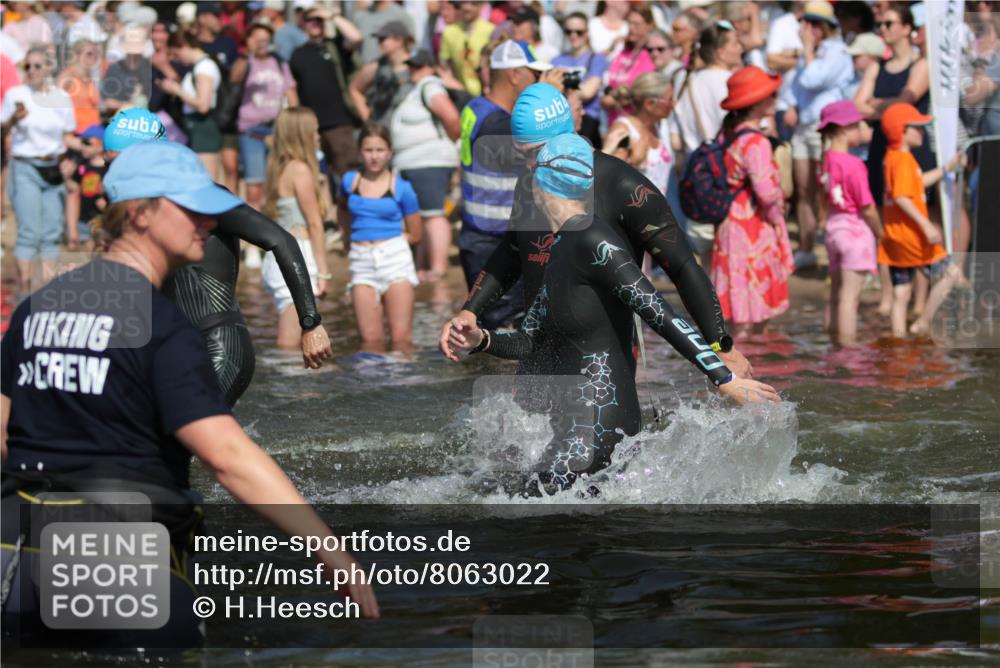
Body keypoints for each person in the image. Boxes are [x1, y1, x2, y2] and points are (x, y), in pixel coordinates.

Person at [0, 140, 378, 649]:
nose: (207, 221)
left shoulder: (36, 310)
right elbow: (227, 457)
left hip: (16, 563)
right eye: (191, 207)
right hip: (118, 569)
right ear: (138, 214)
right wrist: (331, 552)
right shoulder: (163, 328)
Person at [448, 134, 779, 497]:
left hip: (599, 423)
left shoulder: (595, 241)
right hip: (574, 422)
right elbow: (530, 339)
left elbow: (658, 312)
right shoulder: (558, 247)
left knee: (525, 513)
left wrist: (724, 378)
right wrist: (481, 340)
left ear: (542, 185)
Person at [441, 83, 754, 380]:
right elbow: (511, 253)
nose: (530, 165)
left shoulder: (624, 187)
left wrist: (720, 347)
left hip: (603, 356)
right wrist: (470, 311)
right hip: (536, 346)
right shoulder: (530, 185)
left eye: (535, 152)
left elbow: (683, 267)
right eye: (521, 154)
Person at [103, 107, 333, 406]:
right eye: (106, 163)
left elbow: (280, 239)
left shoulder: (204, 196)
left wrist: (310, 323)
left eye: (116, 163)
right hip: (173, 348)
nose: (110, 173)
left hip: (220, 347)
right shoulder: (137, 212)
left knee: (179, 437)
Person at [457, 40, 555, 330]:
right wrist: (548, 99)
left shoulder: (475, 107)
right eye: (535, 76)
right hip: (494, 244)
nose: (537, 82)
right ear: (515, 75)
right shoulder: (498, 125)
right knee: (506, 331)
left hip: (479, 238)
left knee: (491, 329)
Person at [854, 3, 933, 315]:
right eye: (881, 25)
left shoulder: (921, 63)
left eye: (889, 24)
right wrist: (884, 108)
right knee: (884, 223)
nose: (883, 29)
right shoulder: (877, 66)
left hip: (912, 150)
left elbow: (908, 99)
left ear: (905, 28)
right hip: (880, 149)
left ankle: (918, 300)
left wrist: (877, 106)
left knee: (914, 218)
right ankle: (890, 296)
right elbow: (857, 105)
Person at [712, 66, 795, 338]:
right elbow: (766, 192)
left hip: (729, 224)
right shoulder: (757, 141)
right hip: (752, 227)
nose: (775, 100)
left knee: (737, 308)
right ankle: (755, 372)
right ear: (756, 103)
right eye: (770, 96)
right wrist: (778, 212)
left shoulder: (727, 135)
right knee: (752, 316)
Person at [0, 44, 80, 295]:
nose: (32, 71)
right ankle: (25, 290)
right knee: (29, 232)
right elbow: (3, 128)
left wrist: (76, 156)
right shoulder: (16, 94)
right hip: (25, 165)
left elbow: (68, 136)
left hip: (53, 167)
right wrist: (15, 119)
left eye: (37, 66)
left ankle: (47, 289)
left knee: (52, 231)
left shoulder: (61, 97)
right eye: (28, 66)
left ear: (48, 68)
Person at [878, 103, 963, 338]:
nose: (922, 133)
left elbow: (915, 184)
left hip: (894, 237)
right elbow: (902, 196)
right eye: (918, 128)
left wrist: (945, 169)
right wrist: (926, 226)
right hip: (913, 236)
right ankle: (923, 322)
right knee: (951, 274)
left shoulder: (892, 157)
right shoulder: (904, 160)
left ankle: (897, 338)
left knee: (901, 292)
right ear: (902, 131)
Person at [782, 0, 853, 271]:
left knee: (827, 189)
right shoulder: (811, 52)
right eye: (804, 22)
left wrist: (808, 50)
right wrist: (790, 104)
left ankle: (832, 247)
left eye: (811, 23)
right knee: (802, 189)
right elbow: (797, 84)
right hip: (804, 125)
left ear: (824, 27)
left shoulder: (838, 51)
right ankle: (807, 247)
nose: (805, 28)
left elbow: (813, 79)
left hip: (827, 128)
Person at [339, 123, 422, 350]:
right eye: (368, 150)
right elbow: (343, 209)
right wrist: (346, 236)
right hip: (361, 259)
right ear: (359, 152)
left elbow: (416, 232)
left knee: (401, 340)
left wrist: (394, 243)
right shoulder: (349, 182)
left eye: (379, 150)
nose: (374, 157)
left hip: (394, 258)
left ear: (390, 152)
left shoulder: (402, 188)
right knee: (369, 341)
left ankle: (401, 383)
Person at [671, 21, 744, 257]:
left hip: (697, 172)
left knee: (704, 255)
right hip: (726, 174)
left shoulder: (685, 80)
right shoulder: (729, 81)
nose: (741, 48)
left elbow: (676, 138)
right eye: (735, 42)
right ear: (720, 51)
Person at [262, 108, 332, 351]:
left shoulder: (279, 166)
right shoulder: (300, 170)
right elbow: (314, 223)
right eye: (314, 131)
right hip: (298, 256)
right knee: (291, 345)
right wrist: (323, 272)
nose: (319, 136)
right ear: (302, 134)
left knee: (296, 341)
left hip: (278, 258)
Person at [390, 48, 461, 282]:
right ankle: (423, 266)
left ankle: (438, 268)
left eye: (418, 65)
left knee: (433, 214)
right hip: (414, 162)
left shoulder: (430, 84)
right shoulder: (417, 88)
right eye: (411, 65)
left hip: (429, 161)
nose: (413, 70)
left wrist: (447, 147)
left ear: (432, 67)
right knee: (422, 215)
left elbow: (451, 118)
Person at [817, 100, 883, 345]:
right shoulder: (853, 164)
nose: (863, 129)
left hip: (834, 229)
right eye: (858, 125)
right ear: (844, 128)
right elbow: (867, 207)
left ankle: (831, 341)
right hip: (854, 231)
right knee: (850, 297)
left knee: (835, 294)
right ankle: (848, 349)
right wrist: (880, 232)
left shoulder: (825, 160)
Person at [290, 5, 363, 187]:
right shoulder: (297, 55)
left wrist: (331, 15)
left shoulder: (336, 46)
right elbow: (292, 91)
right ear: (303, 24)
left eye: (318, 20)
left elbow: (356, 37)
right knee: (316, 180)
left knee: (349, 176)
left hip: (340, 123)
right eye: (309, 20)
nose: (314, 24)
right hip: (311, 127)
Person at [232, 19, 299, 213]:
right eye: (258, 38)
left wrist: (292, 125)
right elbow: (234, 78)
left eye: (266, 39)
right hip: (250, 130)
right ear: (250, 39)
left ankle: (276, 228)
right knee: (254, 187)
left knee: (278, 183)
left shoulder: (278, 62)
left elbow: (291, 93)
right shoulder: (246, 62)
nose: (262, 43)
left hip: (276, 129)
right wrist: (247, 53)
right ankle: (254, 234)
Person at [159, 30, 222, 176]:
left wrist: (177, 91)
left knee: (206, 181)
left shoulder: (204, 67)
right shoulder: (198, 67)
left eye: (176, 54)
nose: (176, 59)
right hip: (196, 128)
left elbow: (203, 105)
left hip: (204, 129)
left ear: (185, 46)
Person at [603, 71, 674, 198]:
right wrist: (633, 161)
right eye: (669, 100)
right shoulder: (624, 130)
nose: (674, 104)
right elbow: (607, 179)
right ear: (649, 104)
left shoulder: (659, 127)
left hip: (658, 214)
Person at [553, 12, 609, 148]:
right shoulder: (556, 60)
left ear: (587, 33)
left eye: (579, 32)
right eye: (569, 31)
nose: (573, 36)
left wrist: (562, 80)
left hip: (587, 122)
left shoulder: (597, 59)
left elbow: (588, 92)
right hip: (560, 121)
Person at [348, 20, 413, 125]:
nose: (379, 43)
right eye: (378, 39)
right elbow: (354, 89)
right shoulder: (375, 67)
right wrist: (369, 122)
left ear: (399, 41)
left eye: (383, 39)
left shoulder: (418, 66)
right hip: (384, 131)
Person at [601, 4, 656, 128]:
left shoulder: (653, 53)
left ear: (649, 25)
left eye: (636, 24)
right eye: (629, 23)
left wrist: (618, 99)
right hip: (613, 122)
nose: (631, 28)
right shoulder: (621, 49)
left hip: (638, 123)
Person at [439, 0, 496, 97]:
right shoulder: (448, 32)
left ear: (481, 5)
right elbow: (445, 67)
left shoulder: (491, 31)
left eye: (473, 3)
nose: (467, 8)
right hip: (459, 94)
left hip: (486, 93)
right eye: (464, 2)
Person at [56, 37, 101, 134]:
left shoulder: (89, 76)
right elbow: (56, 105)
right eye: (89, 54)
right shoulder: (67, 76)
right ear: (76, 55)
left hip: (94, 129)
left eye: (95, 54)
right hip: (77, 132)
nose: (93, 57)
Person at [352, 0, 416, 65]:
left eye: (383, 39)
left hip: (394, 69)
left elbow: (411, 45)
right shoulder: (360, 16)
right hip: (368, 68)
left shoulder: (402, 16)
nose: (380, 43)